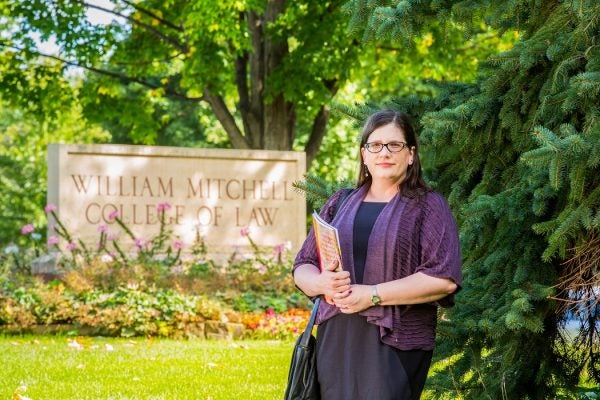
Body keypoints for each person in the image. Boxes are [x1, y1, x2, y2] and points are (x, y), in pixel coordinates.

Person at [292, 109, 462, 400]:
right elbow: (302, 266)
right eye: (375, 145)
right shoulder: (340, 202)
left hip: (395, 342)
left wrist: (371, 294)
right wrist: (321, 284)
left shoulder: (429, 206)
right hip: (338, 336)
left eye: (394, 145)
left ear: (410, 154)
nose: (384, 152)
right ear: (364, 154)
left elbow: (443, 278)